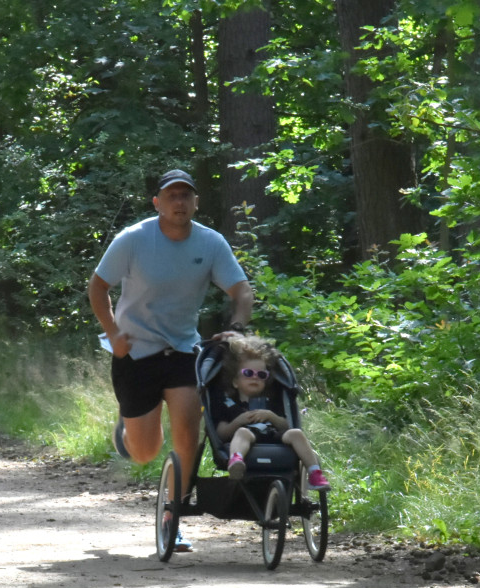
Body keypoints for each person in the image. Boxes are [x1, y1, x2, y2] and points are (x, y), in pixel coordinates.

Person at [88, 169, 253, 551]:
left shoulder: (210, 243)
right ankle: (127, 434)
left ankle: (172, 516)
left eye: (186, 196)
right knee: (144, 452)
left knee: (186, 435)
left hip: (182, 350)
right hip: (134, 351)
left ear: (196, 202)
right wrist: (113, 335)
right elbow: (98, 287)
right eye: (172, 195)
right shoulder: (133, 239)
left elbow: (242, 290)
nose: (179, 202)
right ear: (157, 203)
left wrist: (238, 327)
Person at [212, 334, 331, 491]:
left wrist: (271, 416)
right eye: (248, 373)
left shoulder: (271, 400)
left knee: (296, 433)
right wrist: (238, 421)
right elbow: (221, 433)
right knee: (242, 432)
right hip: (248, 436)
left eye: (261, 375)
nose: (255, 378)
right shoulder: (228, 404)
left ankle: (315, 473)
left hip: (274, 437)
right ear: (235, 381)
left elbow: (287, 425)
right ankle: (236, 461)